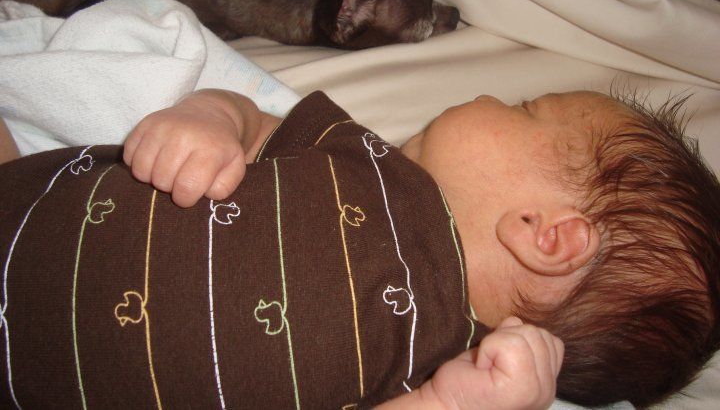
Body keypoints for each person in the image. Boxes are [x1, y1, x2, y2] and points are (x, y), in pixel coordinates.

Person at [0, 86, 718, 408]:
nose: (489, 96)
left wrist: (450, 407)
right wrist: (208, 118)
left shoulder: (435, 364)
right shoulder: (368, 159)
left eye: (526, 109)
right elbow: (255, 123)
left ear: (545, 233)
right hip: (26, 204)